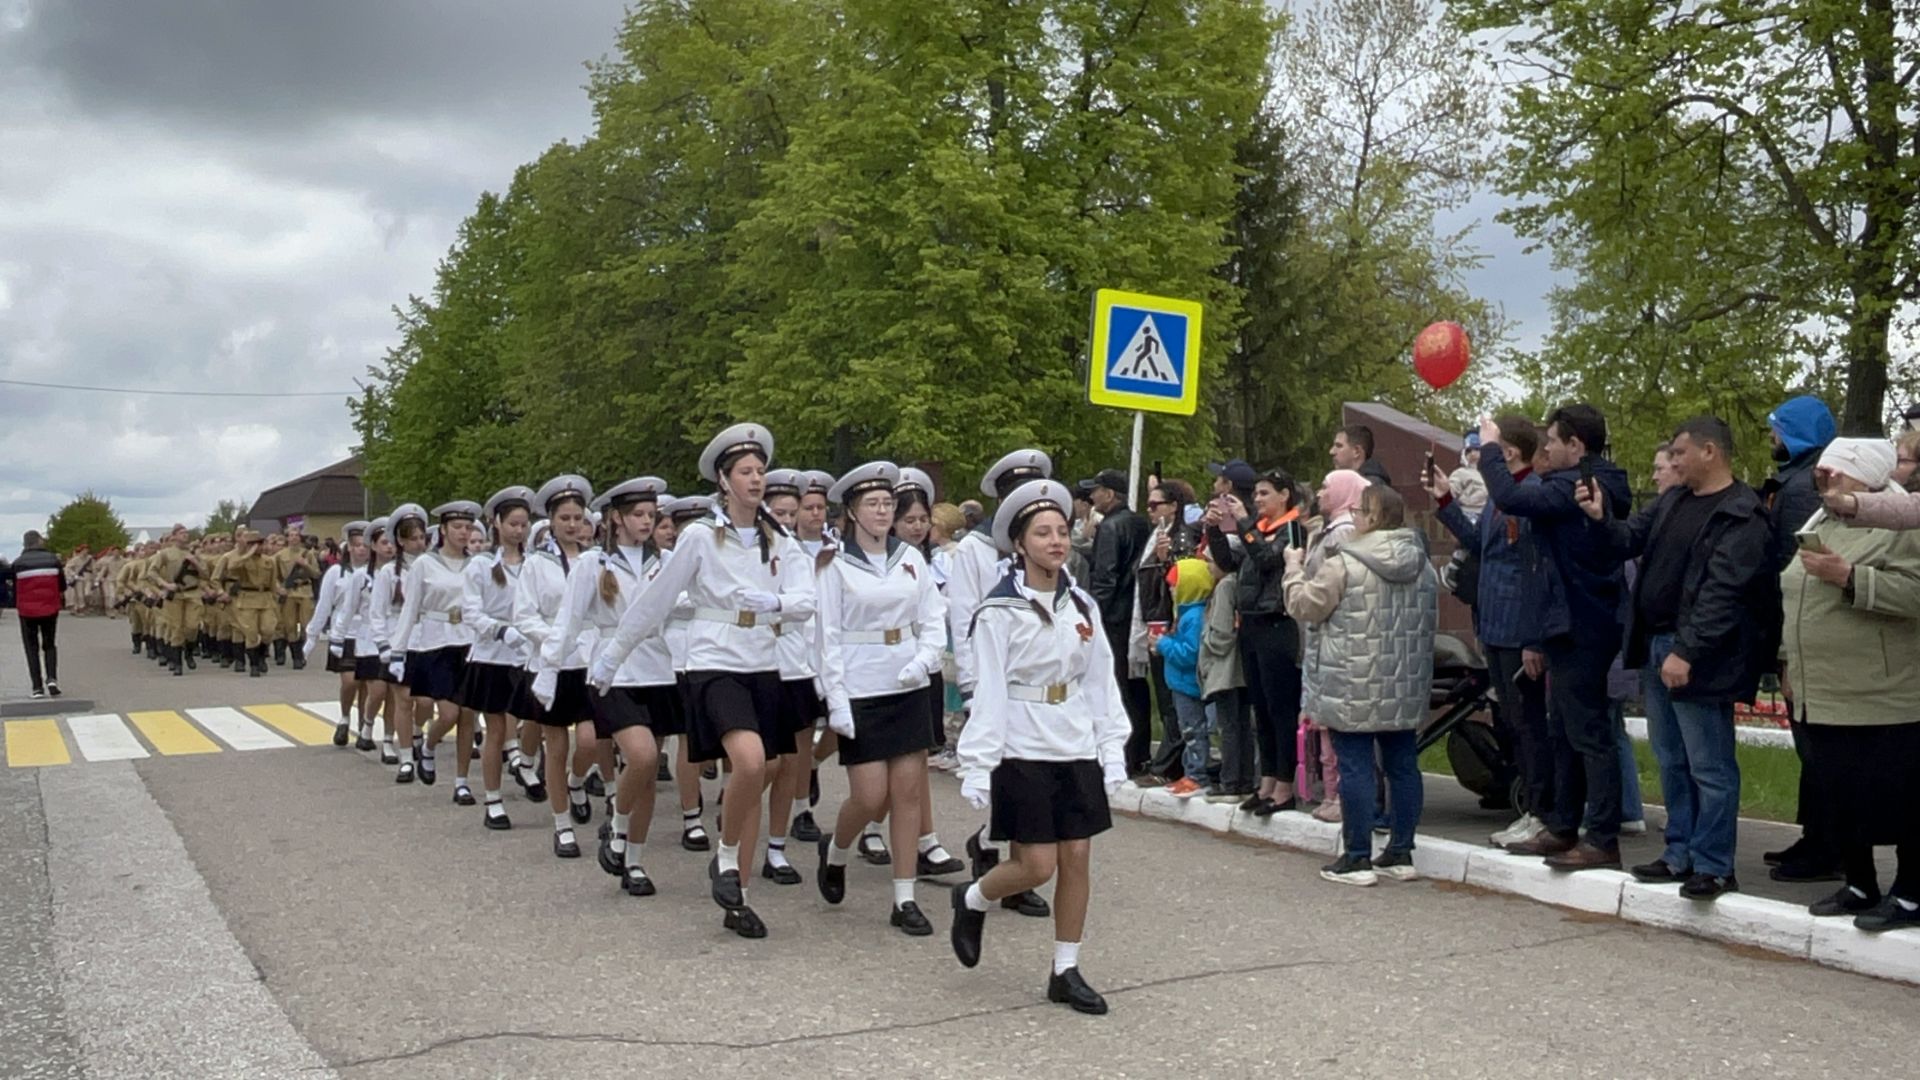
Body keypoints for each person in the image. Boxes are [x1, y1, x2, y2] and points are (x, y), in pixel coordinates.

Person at [592, 424, 807, 939]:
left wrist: (775, 603)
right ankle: (727, 858)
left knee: (763, 772)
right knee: (751, 761)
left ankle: (739, 897)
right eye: (745, 472)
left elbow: (807, 602)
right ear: (723, 479)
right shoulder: (698, 537)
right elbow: (656, 600)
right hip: (715, 664)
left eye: (760, 471)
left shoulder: (781, 538)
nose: (756, 480)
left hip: (763, 663)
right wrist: (612, 657)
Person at [948, 479, 1130, 1015]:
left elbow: (1100, 681)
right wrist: (979, 764)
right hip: (1021, 745)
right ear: (1020, 544)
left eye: (1062, 531)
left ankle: (1065, 969)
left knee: (1077, 856)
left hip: (1072, 740)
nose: (1056, 541)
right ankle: (974, 896)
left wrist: (1111, 747)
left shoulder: (1083, 607)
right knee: (1037, 867)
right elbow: (991, 691)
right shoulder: (998, 612)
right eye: (1042, 533)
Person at [1578, 417, 1780, 900]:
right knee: (1671, 759)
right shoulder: (1674, 501)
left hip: (1701, 654)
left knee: (1709, 764)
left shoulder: (1740, 513)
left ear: (1710, 452)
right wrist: (1600, 518)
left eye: (1680, 453)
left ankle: (1714, 864)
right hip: (1658, 644)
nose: (1672, 463)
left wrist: (1687, 650)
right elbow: (1628, 541)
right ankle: (1679, 853)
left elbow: (1723, 593)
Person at [1479, 404, 1632, 871]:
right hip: (1564, 622)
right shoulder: (1571, 482)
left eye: (1552, 441)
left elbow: (1512, 497)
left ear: (1576, 446)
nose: (1545, 449)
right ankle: (1564, 825)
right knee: (1564, 729)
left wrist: (1489, 447)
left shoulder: (1582, 485)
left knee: (1589, 732)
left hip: (1583, 622)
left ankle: (1602, 836)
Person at [1780, 438, 1920, 932]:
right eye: (1821, 473)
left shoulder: (1903, 523)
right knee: (1837, 794)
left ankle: (1911, 892)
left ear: (1866, 475)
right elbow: (1795, 594)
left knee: (1898, 798)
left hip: (1880, 692)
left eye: (1836, 473)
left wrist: (1850, 576)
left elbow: (1915, 593)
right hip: (1821, 690)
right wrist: (1786, 662)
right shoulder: (1822, 522)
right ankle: (1860, 882)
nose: (1826, 481)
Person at [814, 462, 948, 936]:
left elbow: (934, 616)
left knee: (907, 794)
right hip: (861, 684)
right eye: (872, 504)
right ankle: (837, 852)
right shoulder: (834, 565)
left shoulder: (910, 558)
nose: (882, 511)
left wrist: (927, 659)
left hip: (906, 681)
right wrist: (836, 700)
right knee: (869, 797)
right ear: (851, 510)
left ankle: (904, 896)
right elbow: (827, 636)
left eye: (887, 504)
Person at [1283, 483, 1436, 886]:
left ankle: (1356, 857)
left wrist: (1293, 569)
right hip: (1403, 682)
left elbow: (1304, 605)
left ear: (1371, 518)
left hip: (1351, 681)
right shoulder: (1423, 565)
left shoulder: (1344, 563)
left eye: (1359, 512)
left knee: (1355, 767)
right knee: (1403, 766)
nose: (1353, 519)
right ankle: (1401, 852)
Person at [942, 449, 1057, 920]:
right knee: (1005, 777)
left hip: (1036, 687)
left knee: (1028, 780)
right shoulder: (975, 551)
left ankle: (997, 851)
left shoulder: (1046, 555)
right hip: (992, 684)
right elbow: (966, 617)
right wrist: (971, 688)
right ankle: (995, 853)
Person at [1431, 417, 1557, 845]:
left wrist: (1533, 639)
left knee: (1529, 723)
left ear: (1509, 453)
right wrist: (1446, 501)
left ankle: (1543, 810)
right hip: (1494, 623)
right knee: (1513, 719)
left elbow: (1533, 572)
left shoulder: (1529, 495)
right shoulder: (1500, 500)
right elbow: (1482, 543)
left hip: (1518, 627)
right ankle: (1532, 807)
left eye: (1493, 446)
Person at [563, 476, 678, 896]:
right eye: (638, 515)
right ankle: (616, 821)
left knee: (646, 776)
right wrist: (549, 668)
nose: (646, 522)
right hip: (615, 672)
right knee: (643, 758)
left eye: (652, 515)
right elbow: (571, 620)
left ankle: (634, 859)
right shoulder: (592, 565)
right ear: (616, 519)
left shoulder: (667, 561)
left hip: (659, 671)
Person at [1757, 395, 1839, 881]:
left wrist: (1788, 652)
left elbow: (1794, 574)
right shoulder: (1800, 482)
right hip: (1793, 635)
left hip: (1802, 638)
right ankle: (1816, 836)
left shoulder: (1805, 490)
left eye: (1778, 430)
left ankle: (1827, 845)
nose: (1773, 439)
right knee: (1808, 743)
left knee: (1816, 746)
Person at [1206, 468, 1306, 816]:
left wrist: (1246, 522)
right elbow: (1227, 562)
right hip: (1250, 623)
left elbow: (1266, 559)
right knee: (1259, 708)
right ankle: (1266, 782)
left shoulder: (1292, 529)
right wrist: (1214, 529)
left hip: (1277, 624)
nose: (1258, 500)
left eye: (1265, 494)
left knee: (1280, 709)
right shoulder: (1258, 530)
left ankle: (1284, 785)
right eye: (1257, 494)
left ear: (1284, 496)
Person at [522, 477, 602, 856]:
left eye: (578, 517)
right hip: (553, 661)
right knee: (555, 745)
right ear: (551, 521)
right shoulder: (536, 564)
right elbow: (525, 614)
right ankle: (562, 824)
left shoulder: (598, 560)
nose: (572, 525)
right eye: (565, 518)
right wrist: (553, 640)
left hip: (588, 658)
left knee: (590, 739)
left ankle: (577, 779)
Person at [458, 487, 539, 829]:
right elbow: (471, 612)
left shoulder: (536, 563)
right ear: (497, 523)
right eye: (513, 523)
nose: (519, 530)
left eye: (524, 524)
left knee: (533, 721)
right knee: (496, 729)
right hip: (494, 655)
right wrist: (501, 631)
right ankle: (493, 799)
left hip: (528, 654)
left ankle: (527, 765)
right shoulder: (480, 565)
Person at [1084, 468, 1153, 775]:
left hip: (1114, 616)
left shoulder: (1111, 527)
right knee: (1136, 685)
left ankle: (1123, 751)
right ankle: (1139, 748)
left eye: (1097, 490)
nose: (1092, 496)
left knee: (1117, 684)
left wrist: (1092, 614)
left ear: (1110, 494)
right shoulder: (1141, 523)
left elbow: (1106, 577)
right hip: (1136, 613)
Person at [1130, 478, 1197, 783]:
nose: (1150, 509)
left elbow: (1181, 583)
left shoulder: (1181, 538)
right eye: (1149, 504)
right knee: (1164, 690)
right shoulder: (1158, 535)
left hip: (1171, 621)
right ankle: (1171, 760)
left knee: (1172, 696)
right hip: (1154, 618)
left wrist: (1163, 560)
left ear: (1173, 507)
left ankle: (1169, 764)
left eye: (1156, 504)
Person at [303, 521, 373, 746]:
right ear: (349, 547)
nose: (362, 549)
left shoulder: (377, 572)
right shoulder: (336, 572)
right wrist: (312, 636)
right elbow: (324, 605)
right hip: (344, 634)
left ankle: (364, 726)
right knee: (350, 681)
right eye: (357, 545)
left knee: (367, 684)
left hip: (369, 634)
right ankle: (344, 718)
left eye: (366, 545)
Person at [1195, 537, 1254, 803]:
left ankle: (1230, 782)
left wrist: (1206, 642)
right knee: (1243, 725)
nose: (1207, 567)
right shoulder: (1242, 582)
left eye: (1209, 561)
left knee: (1228, 727)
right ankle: (1245, 779)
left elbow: (1220, 632)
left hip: (1225, 669)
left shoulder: (1224, 587)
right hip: (1242, 669)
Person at [1152, 558, 1215, 797]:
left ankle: (1197, 776)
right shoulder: (1186, 613)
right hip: (1181, 684)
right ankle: (1191, 773)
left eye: (1175, 585)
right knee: (1188, 729)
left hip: (1189, 685)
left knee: (1193, 731)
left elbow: (1191, 654)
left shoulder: (1194, 617)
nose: (1171, 590)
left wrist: (1164, 644)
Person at [7, 531, 65, 698]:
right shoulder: (53, 560)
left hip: (26, 611)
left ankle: (37, 687)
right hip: (50, 608)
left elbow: (14, 587)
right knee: (49, 644)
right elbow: (62, 585)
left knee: (31, 648)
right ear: (39, 541)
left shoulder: (18, 564)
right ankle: (52, 679)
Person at [145, 525, 205, 677]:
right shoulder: (165, 554)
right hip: (175, 595)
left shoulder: (193, 553)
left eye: (186, 533)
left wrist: (195, 563)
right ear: (174, 536)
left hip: (193, 594)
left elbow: (206, 574)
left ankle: (189, 652)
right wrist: (165, 585)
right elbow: (151, 572)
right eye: (181, 533)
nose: (185, 535)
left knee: (192, 627)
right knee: (176, 627)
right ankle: (177, 663)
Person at [226, 528, 281, 677]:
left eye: (260, 543)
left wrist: (276, 597)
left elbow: (273, 582)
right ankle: (254, 664)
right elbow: (231, 568)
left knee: (268, 630)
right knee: (251, 633)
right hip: (247, 598)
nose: (258, 546)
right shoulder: (241, 560)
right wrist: (248, 554)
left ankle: (262, 655)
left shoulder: (269, 561)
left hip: (265, 598)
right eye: (254, 544)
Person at [275, 526, 321, 669]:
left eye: (296, 535)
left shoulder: (308, 554)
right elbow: (274, 577)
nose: (294, 538)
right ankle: (296, 657)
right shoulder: (279, 555)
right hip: (289, 592)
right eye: (291, 535)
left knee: (307, 625)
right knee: (289, 625)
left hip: (305, 590)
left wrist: (306, 565)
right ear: (287, 537)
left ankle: (301, 652)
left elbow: (316, 574)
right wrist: (279, 588)